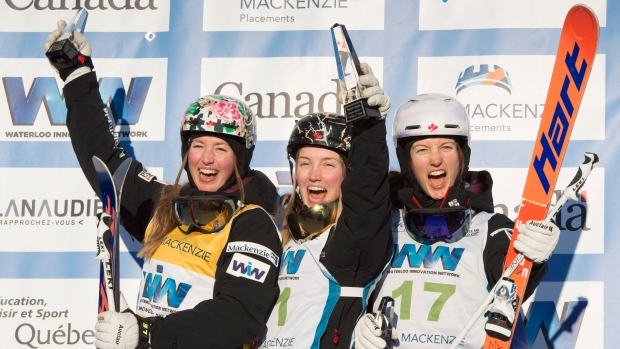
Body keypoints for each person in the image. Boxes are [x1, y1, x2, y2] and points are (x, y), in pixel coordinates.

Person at [44, 20, 282, 349]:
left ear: (240, 160)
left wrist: (148, 332)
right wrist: (76, 77)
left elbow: (238, 315)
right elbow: (108, 162)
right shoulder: (168, 206)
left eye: (221, 148)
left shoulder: (253, 224)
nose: (207, 158)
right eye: (198, 145)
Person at [353, 93, 560, 349]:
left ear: (462, 155)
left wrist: (534, 258)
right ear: (407, 160)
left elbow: (514, 285)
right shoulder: (383, 223)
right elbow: (346, 286)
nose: (435, 159)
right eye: (422, 149)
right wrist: (357, 326)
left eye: (446, 147)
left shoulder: (490, 227)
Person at [258, 63, 393, 349]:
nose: (314, 175)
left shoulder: (352, 240)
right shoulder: (282, 234)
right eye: (305, 163)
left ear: (347, 173)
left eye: (328, 164)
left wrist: (367, 126)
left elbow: (366, 192)